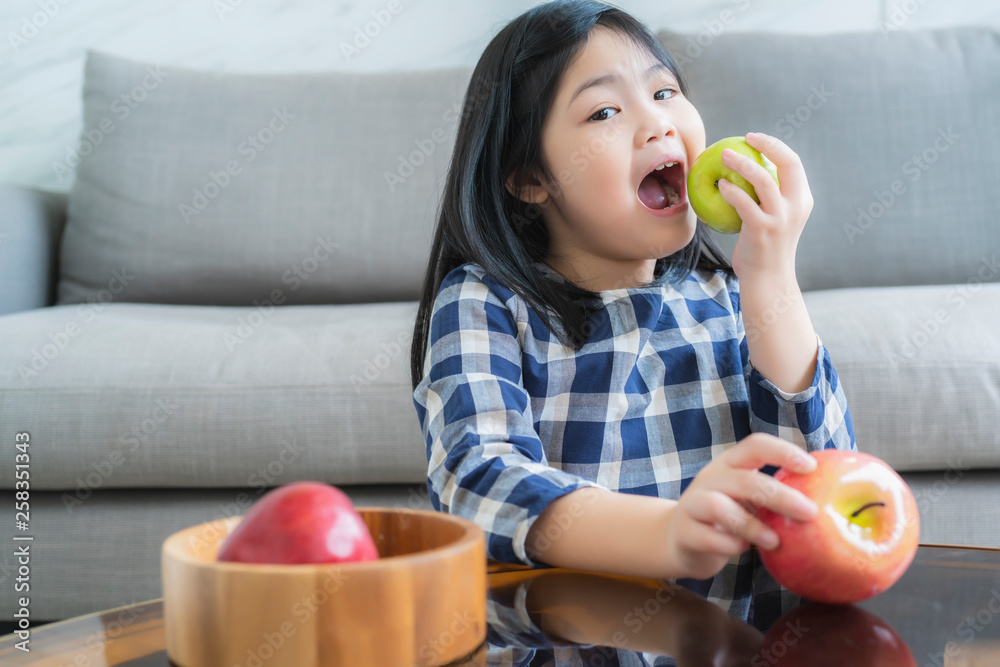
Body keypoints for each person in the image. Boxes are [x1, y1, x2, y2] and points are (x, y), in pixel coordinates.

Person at [409, 0, 856, 623]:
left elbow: (822, 486)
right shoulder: (486, 303)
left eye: (665, 91)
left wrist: (771, 276)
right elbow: (477, 480)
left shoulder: (724, 297)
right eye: (605, 111)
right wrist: (665, 533)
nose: (657, 124)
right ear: (529, 177)